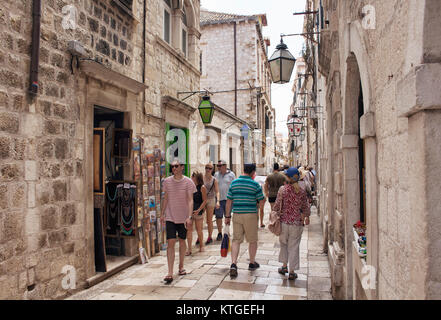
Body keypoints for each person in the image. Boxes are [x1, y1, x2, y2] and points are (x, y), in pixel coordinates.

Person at [225, 163, 265, 278]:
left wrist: (227, 216)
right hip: (251, 215)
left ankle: (233, 263)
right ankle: (252, 263)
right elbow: (261, 202)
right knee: (252, 240)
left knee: (236, 240)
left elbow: (229, 201)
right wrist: (259, 203)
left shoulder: (234, 183)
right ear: (253, 172)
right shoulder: (255, 184)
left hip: (237, 214)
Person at [160, 159, 196, 284]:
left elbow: (191, 200)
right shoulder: (167, 181)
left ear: (182, 167)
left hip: (183, 216)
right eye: (172, 166)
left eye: (176, 166)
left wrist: (189, 217)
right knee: (170, 242)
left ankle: (181, 266)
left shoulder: (188, 182)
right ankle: (170, 272)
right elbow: (166, 198)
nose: (174, 168)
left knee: (182, 241)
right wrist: (162, 213)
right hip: (170, 216)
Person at [273, 167, 310, 280]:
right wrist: (307, 217)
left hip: (284, 223)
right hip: (296, 223)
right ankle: (292, 271)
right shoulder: (302, 191)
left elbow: (277, 205)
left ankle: (284, 267)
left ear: (288, 178)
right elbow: (305, 207)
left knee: (284, 244)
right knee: (294, 247)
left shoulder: (282, 190)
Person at [214, 159, 236, 242]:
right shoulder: (216, 175)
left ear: (225, 166)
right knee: (218, 216)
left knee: (228, 216)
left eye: (220, 165)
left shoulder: (231, 175)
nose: (218, 167)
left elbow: (234, 186)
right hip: (219, 200)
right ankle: (219, 233)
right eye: (218, 166)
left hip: (228, 200)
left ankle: (227, 231)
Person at [186, 171, 208, 255]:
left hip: (198, 211)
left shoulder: (202, 187)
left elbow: (205, 200)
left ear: (196, 178)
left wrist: (199, 210)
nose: (191, 177)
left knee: (199, 230)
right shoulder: (190, 187)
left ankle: (201, 245)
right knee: (189, 230)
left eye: (192, 176)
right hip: (190, 211)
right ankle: (189, 249)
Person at [202, 163, 220, 245]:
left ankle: (209, 236)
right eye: (206, 168)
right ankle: (200, 237)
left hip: (211, 199)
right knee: (200, 218)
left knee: (209, 220)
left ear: (212, 170)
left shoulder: (214, 180)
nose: (207, 170)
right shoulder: (202, 178)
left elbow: (217, 191)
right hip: (202, 200)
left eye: (209, 168)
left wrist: (218, 201)